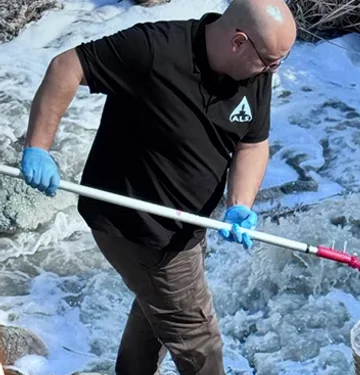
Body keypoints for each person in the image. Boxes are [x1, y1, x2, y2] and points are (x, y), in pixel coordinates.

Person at [18, 0, 297, 373]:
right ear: (238, 42)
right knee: (199, 339)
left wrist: (240, 203)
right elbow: (67, 67)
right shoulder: (154, 49)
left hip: (188, 224)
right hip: (140, 227)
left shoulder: (255, 68)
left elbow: (252, 141)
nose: (273, 70)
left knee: (159, 312)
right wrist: (38, 147)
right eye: (270, 61)